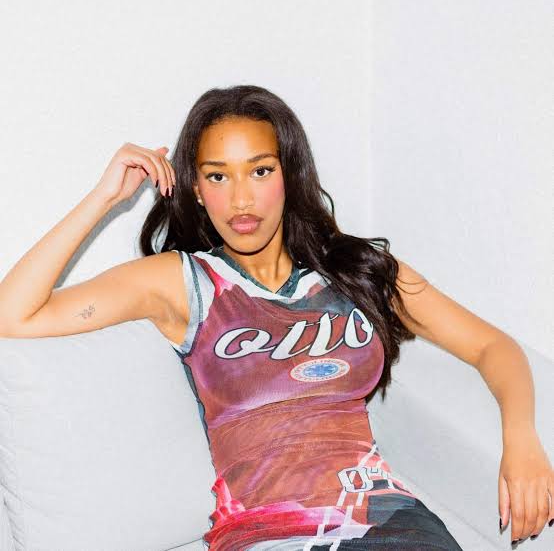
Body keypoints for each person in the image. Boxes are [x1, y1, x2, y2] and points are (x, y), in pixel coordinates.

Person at [0, 85, 551, 550]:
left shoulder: (356, 270)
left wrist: (521, 441)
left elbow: (492, 347)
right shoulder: (183, 282)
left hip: (391, 525)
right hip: (269, 535)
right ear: (196, 189)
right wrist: (103, 197)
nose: (242, 199)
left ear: (289, 174)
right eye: (218, 177)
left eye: (260, 171)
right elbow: (13, 315)